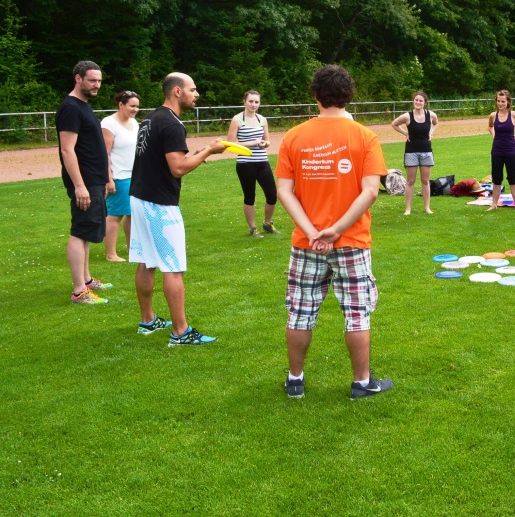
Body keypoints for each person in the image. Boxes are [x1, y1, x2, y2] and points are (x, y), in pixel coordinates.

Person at [276, 65, 392, 400]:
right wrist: (336, 230)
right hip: (351, 241)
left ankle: (295, 380)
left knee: (300, 310)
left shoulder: (294, 136)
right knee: (357, 312)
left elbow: (284, 190)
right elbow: (370, 191)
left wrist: (314, 232)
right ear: (349, 95)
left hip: (306, 242)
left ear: (315, 94)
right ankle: (361, 383)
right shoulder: (365, 136)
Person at [129, 73, 226, 345]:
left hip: (139, 197)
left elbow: (168, 159)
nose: (196, 94)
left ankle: (147, 321)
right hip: (159, 203)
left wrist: (200, 152)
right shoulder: (172, 124)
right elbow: (178, 168)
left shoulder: (151, 117)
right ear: (176, 91)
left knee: (147, 261)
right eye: (192, 90)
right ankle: (181, 332)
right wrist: (209, 152)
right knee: (173, 268)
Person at [58, 61, 114, 303]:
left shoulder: (83, 106)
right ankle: (79, 291)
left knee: (88, 230)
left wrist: (104, 179)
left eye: (99, 81)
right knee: (80, 231)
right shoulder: (70, 107)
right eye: (92, 80)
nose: (97, 85)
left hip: (94, 180)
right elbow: (67, 150)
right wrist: (80, 186)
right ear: (78, 78)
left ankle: (87, 279)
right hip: (84, 181)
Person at [227, 90, 279, 238]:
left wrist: (264, 143)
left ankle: (267, 223)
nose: (253, 104)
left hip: (262, 161)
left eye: (256, 102)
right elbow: (230, 144)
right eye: (250, 101)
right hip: (245, 163)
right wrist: (252, 143)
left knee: (272, 194)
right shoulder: (237, 120)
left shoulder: (262, 119)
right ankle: (253, 228)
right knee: (250, 196)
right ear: (244, 102)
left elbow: (268, 140)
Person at [101, 90, 140, 262]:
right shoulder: (109, 124)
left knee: (132, 214)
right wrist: (108, 179)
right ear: (121, 105)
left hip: (135, 175)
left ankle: (133, 249)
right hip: (118, 176)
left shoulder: (134, 122)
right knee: (115, 215)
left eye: (137, 106)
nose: (135, 109)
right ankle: (111, 254)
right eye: (132, 106)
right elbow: (104, 154)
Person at [391, 91, 439, 215]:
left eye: (420, 101)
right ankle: (408, 209)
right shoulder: (407, 116)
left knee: (425, 181)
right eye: (416, 100)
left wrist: (431, 133)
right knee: (410, 181)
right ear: (413, 101)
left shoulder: (431, 115)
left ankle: (427, 207)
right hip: (411, 151)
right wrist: (405, 133)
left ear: (425, 103)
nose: (418, 102)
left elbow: (436, 123)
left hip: (426, 151)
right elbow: (394, 124)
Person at [487, 90, 515, 212]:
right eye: (498, 101)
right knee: (496, 178)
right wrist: (494, 136)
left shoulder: (514, 115)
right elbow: (490, 126)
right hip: (497, 150)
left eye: (503, 101)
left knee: (513, 178)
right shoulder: (493, 116)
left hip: (511, 151)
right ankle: (494, 204)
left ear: (508, 101)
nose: (500, 103)